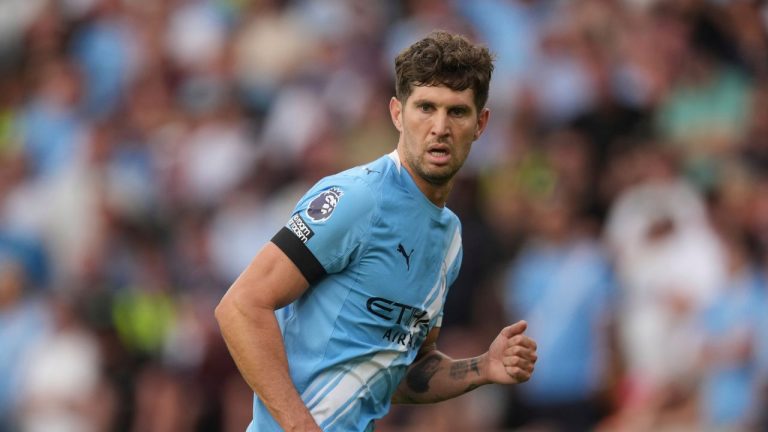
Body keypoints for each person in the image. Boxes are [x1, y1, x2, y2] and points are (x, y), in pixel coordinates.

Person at [215, 31, 538, 432]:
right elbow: (241, 306)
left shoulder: (451, 238)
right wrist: (300, 427)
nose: (440, 127)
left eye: (457, 112)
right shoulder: (357, 198)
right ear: (397, 113)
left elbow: (400, 371)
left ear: (481, 123)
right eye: (425, 107)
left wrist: (483, 367)